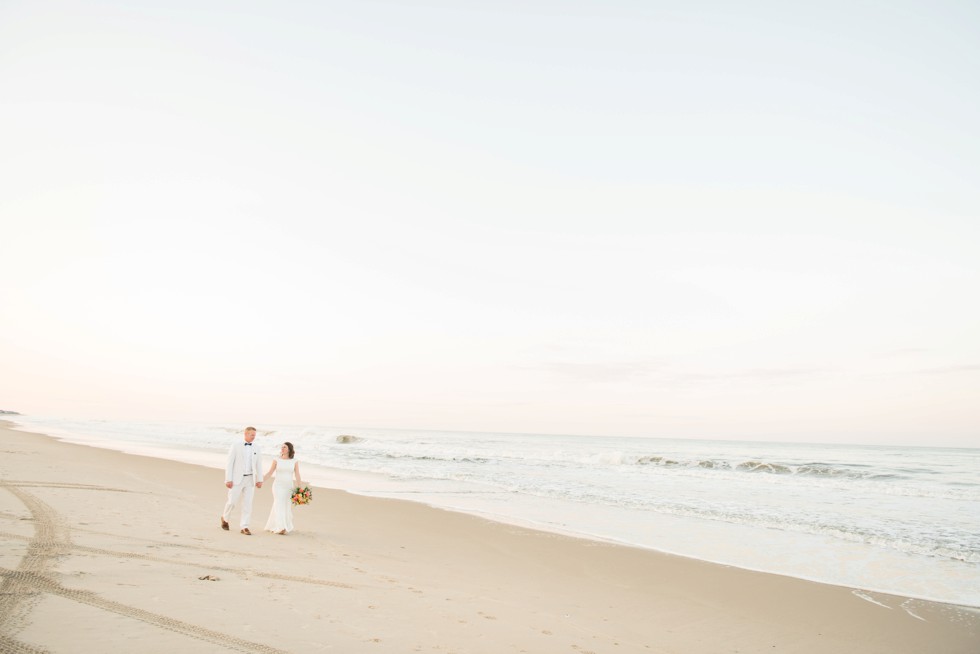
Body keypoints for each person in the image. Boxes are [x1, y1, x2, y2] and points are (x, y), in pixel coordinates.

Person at [220, 426, 264, 535]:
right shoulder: (236, 445)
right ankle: (225, 518)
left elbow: (259, 464)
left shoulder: (257, 447)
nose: (254, 437)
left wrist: (260, 479)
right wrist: (228, 479)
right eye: (252, 435)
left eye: (254, 435)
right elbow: (229, 463)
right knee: (232, 501)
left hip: (250, 479)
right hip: (236, 479)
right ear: (245, 434)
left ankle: (245, 526)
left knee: (247, 504)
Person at [263, 441, 302, 535]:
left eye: (284, 447)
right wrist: (261, 481)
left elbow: (297, 475)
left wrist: (299, 488)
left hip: (289, 487)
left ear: (289, 449)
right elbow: (270, 473)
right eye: (282, 447)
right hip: (278, 486)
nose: (282, 448)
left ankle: (275, 524)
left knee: (285, 506)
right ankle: (281, 527)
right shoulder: (276, 460)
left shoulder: (294, 461)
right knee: (278, 503)